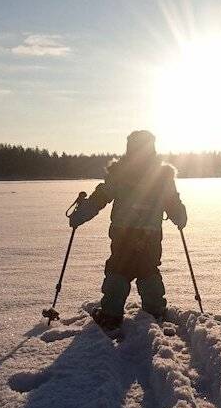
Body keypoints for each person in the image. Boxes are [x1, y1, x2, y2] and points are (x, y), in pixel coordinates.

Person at [68, 130, 187, 338]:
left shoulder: (121, 172)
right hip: (151, 234)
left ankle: (111, 316)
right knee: (148, 269)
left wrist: (81, 214)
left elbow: (101, 197)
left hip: (124, 232)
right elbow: (173, 202)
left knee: (119, 270)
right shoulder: (162, 175)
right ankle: (155, 310)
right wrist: (179, 217)